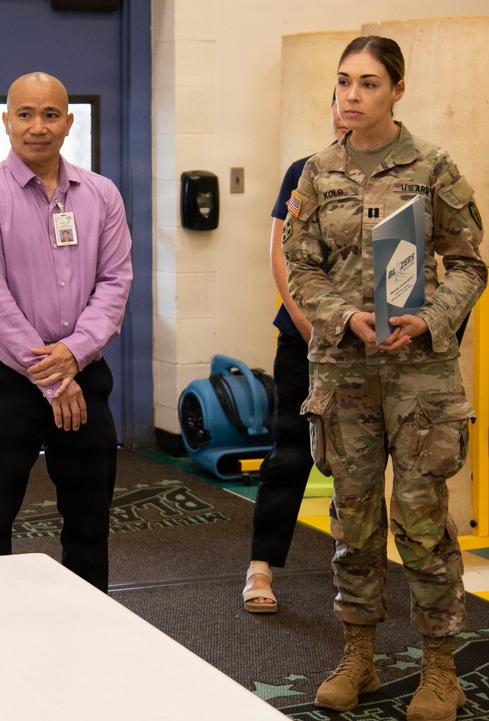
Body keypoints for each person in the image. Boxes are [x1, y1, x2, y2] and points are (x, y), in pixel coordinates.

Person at [284, 36, 485, 719]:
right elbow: (300, 266)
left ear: (396, 89)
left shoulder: (431, 168)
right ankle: (358, 657)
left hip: (419, 374)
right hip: (344, 370)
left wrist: (428, 318)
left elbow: (468, 264)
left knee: (423, 523)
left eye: (367, 83)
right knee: (353, 520)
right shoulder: (316, 172)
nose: (350, 95)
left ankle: (438, 669)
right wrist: (343, 314)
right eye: (343, 82)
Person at [0, 71, 132, 592]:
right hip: (8, 379)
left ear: (68, 122)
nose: (37, 127)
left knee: (90, 514)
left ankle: (89, 618)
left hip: (85, 375)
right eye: (25, 115)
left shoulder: (101, 195)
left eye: (50, 115)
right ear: (6, 122)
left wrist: (73, 356)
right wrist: (52, 376)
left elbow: (116, 281)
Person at [243, 96, 348, 614]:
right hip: (304, 339)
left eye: (365, 88)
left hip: (372, 345)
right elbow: (280, 256)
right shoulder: (302, 173)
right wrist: (312, 329)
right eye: (340, 95)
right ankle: (261, 567)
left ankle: (358, 576)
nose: (347, 105)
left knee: (360, 465)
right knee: (290, 453)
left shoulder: (409, 178)